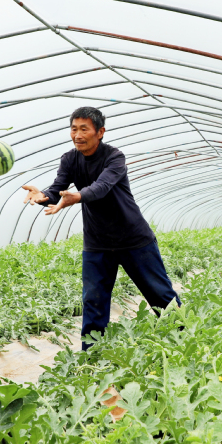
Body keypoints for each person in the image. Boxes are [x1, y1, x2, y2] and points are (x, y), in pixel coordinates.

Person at [22, 106, 180, 350]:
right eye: (73, 129)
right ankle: (91, 358)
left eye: (84, 129)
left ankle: (185, 342)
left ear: (100, 132)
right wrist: (42, 196)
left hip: (134, 239)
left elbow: (102, 187)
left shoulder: (114, 157)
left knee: (161, 297)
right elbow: (57, 189)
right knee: (93, 302)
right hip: (97, 243)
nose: (77, 135)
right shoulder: (69, 159)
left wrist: (77, 197)